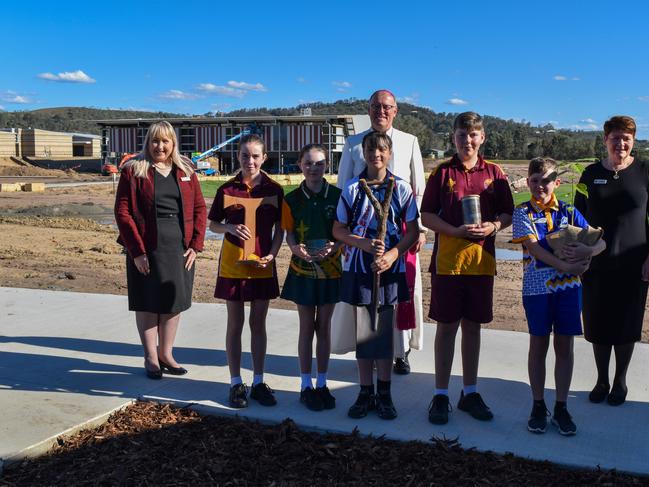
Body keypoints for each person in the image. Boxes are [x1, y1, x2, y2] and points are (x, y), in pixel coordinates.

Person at [421, 111, 514, 424]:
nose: (467, 141)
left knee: (473, 327)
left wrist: (491, 227)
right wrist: (455, 231)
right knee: (447, 328)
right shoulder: (442, 172)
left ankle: (469, 392)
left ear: (482, 137)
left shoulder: (495, 173)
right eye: (462, 135)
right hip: (448, 263)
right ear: (454, 138)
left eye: (473, 135)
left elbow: (507, 214)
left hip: (481, 263)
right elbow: (427, 216)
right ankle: (441, 394)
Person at [335, 89, 427, 375]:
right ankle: (366, 350)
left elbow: (417, 187)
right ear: (369, 108)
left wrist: (419, 229)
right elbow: (342, 187)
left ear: (396, 110)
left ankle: (400, 351)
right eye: (376, 106)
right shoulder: (353, 143)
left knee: (399, 294)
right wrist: (350, 238)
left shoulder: (409, 141)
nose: (381, 111)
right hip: (362, 237)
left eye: (387, 107)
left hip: (400, 234)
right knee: (364, 298)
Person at [512, 157, 605, 435]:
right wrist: (566, 265)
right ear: (528, 182)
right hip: (537, 290)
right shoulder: (522, 213)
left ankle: (562, 407)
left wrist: (587, 252)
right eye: (535, 180)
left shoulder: (568, 211)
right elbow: (535, 249)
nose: (541, 186)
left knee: (564, 347)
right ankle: (538, 405)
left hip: (568, 290)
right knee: (538, 347)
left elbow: (600, 240)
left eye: (547, 180)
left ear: (557, 182)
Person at [333, 132, 419, 420]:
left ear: (390, 152)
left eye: (382, 150)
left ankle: (384, 393)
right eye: (371, 150)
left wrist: (393, 255)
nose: (376, 155)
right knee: (364, 332)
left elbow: (412, 231)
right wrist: (362, 243)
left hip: (389, 269)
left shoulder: (402, 189)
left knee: (382, 332)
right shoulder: (352, 190)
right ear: (364, 153)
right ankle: (364, 391)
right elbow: (338, 229)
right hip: (360, 266)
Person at [115, 121, 207, 379]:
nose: (160, 146)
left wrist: (196, 246)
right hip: (146, 246)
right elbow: (122, 212)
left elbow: (200, 208)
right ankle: (151, 357)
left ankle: (167, 354)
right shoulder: (134, 171)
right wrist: (137, 252)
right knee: (147, 303)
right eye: (155, 141)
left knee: (173, 302)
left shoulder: (186, 170)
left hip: (179, 248)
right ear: (148, 143)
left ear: (173, 143)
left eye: (165, 141)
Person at [574, 115, 649, 407]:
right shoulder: (591, 174)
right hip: (596, 261)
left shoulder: (644, 171)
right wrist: (579, 253)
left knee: (627, 322)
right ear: (605, 140)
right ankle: (601, 379)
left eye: (626, 138)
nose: (621, 143)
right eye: (615, 138)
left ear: (633, 141)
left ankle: (620, 381)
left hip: (634, 261)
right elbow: (578, 219)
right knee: (598, 320)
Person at [208, 134, 285, 408]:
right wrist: (228, 228)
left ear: (264, 158)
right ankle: (235, 382)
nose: (249, 161)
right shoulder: (227, 189)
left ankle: (259, 381)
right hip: (233, 263)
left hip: (262, 264)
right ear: (237, 157)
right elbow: (213, 223)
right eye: (244, 155)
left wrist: (273, 254)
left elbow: (280, 230)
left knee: (258, 324)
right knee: (235, 324)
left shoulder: (275, 190)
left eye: (255, 156)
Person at [281, 144, 342, 411]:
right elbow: (289, 232)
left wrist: (336, 246)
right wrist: (294, 248)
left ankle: (322, 382)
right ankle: (305, 384)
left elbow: (344, 232)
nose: (314, 168)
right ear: (300, 166)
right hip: (302, 270)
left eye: (319, 163)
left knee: (324, 327)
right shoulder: (291, 199)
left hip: (331, 270)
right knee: (307, 326)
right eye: (308, 163)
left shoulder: (339, 197)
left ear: (326, 165)